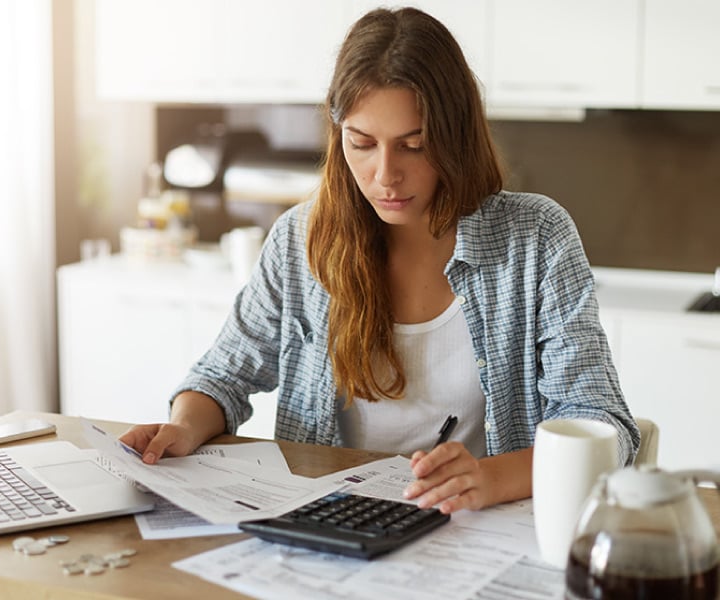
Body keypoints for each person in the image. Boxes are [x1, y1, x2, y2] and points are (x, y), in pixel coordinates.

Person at [119, 7, 638, 515]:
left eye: (413, 145)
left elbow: (605, 427)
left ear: (454, 137)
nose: (385, 175)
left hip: (476, 529)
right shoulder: (301, 241)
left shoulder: (537, 239)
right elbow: (222, 377)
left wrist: (489, 478)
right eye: (362, 144)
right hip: (332, 525)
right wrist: (184, 426)